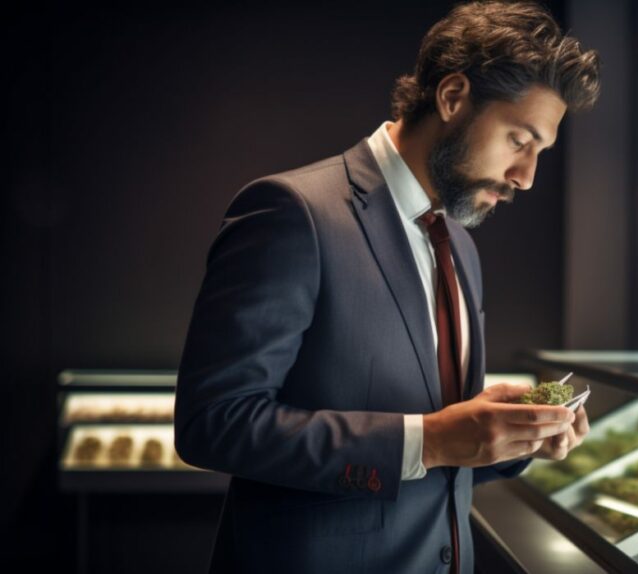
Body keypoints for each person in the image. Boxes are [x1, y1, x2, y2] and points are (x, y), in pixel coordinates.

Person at [173, 1, 601, 572]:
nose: (525, 176)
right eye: (519, 141)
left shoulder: (463, 247)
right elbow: (214, 424)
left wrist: (509, 439)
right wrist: (428, 440)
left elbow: (445, 446)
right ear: (452, 98)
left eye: (539, 152)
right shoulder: (292, 212)